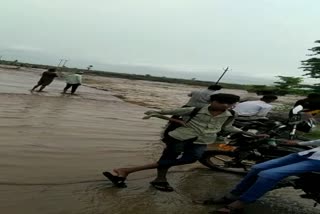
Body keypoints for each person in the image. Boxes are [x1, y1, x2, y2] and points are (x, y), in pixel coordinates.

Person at [102, 94, 266, 192]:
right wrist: (155, 113)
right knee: (169, 156)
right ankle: (159, 179)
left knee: (191, 158)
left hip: (202, 141)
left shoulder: (230, 114)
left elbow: (228, 128)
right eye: (222, 102)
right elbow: (170, 111)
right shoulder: (194, 109)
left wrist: (245, 132)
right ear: (212, 101)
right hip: (179, 137)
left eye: (230, 104)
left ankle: (127, 170)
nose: (226, 106)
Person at [206, 139, 320, 214]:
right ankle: (234, 195)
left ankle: (241, 203)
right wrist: (299, 144)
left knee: (268, 174)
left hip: (317, 161)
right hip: (308, 154)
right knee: (257, 168)